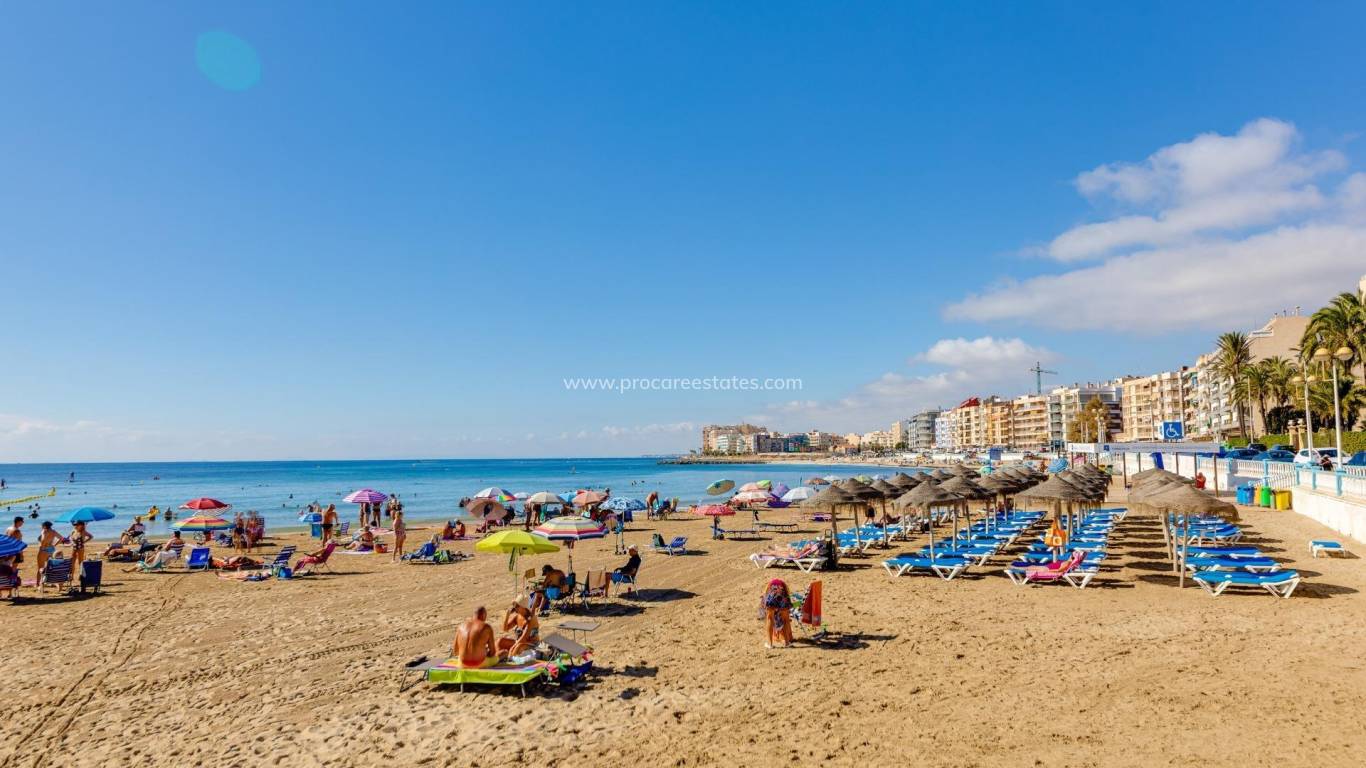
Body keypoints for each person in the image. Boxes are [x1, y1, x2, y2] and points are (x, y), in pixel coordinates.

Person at [760, 579, 794, 649]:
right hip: (783, 596)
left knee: (770, 619)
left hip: (771, 595)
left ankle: (769, 644)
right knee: (785, 619)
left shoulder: (769, 586)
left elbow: (765, 595)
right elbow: (788, 594)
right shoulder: (784, 587)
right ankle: (787, 643)